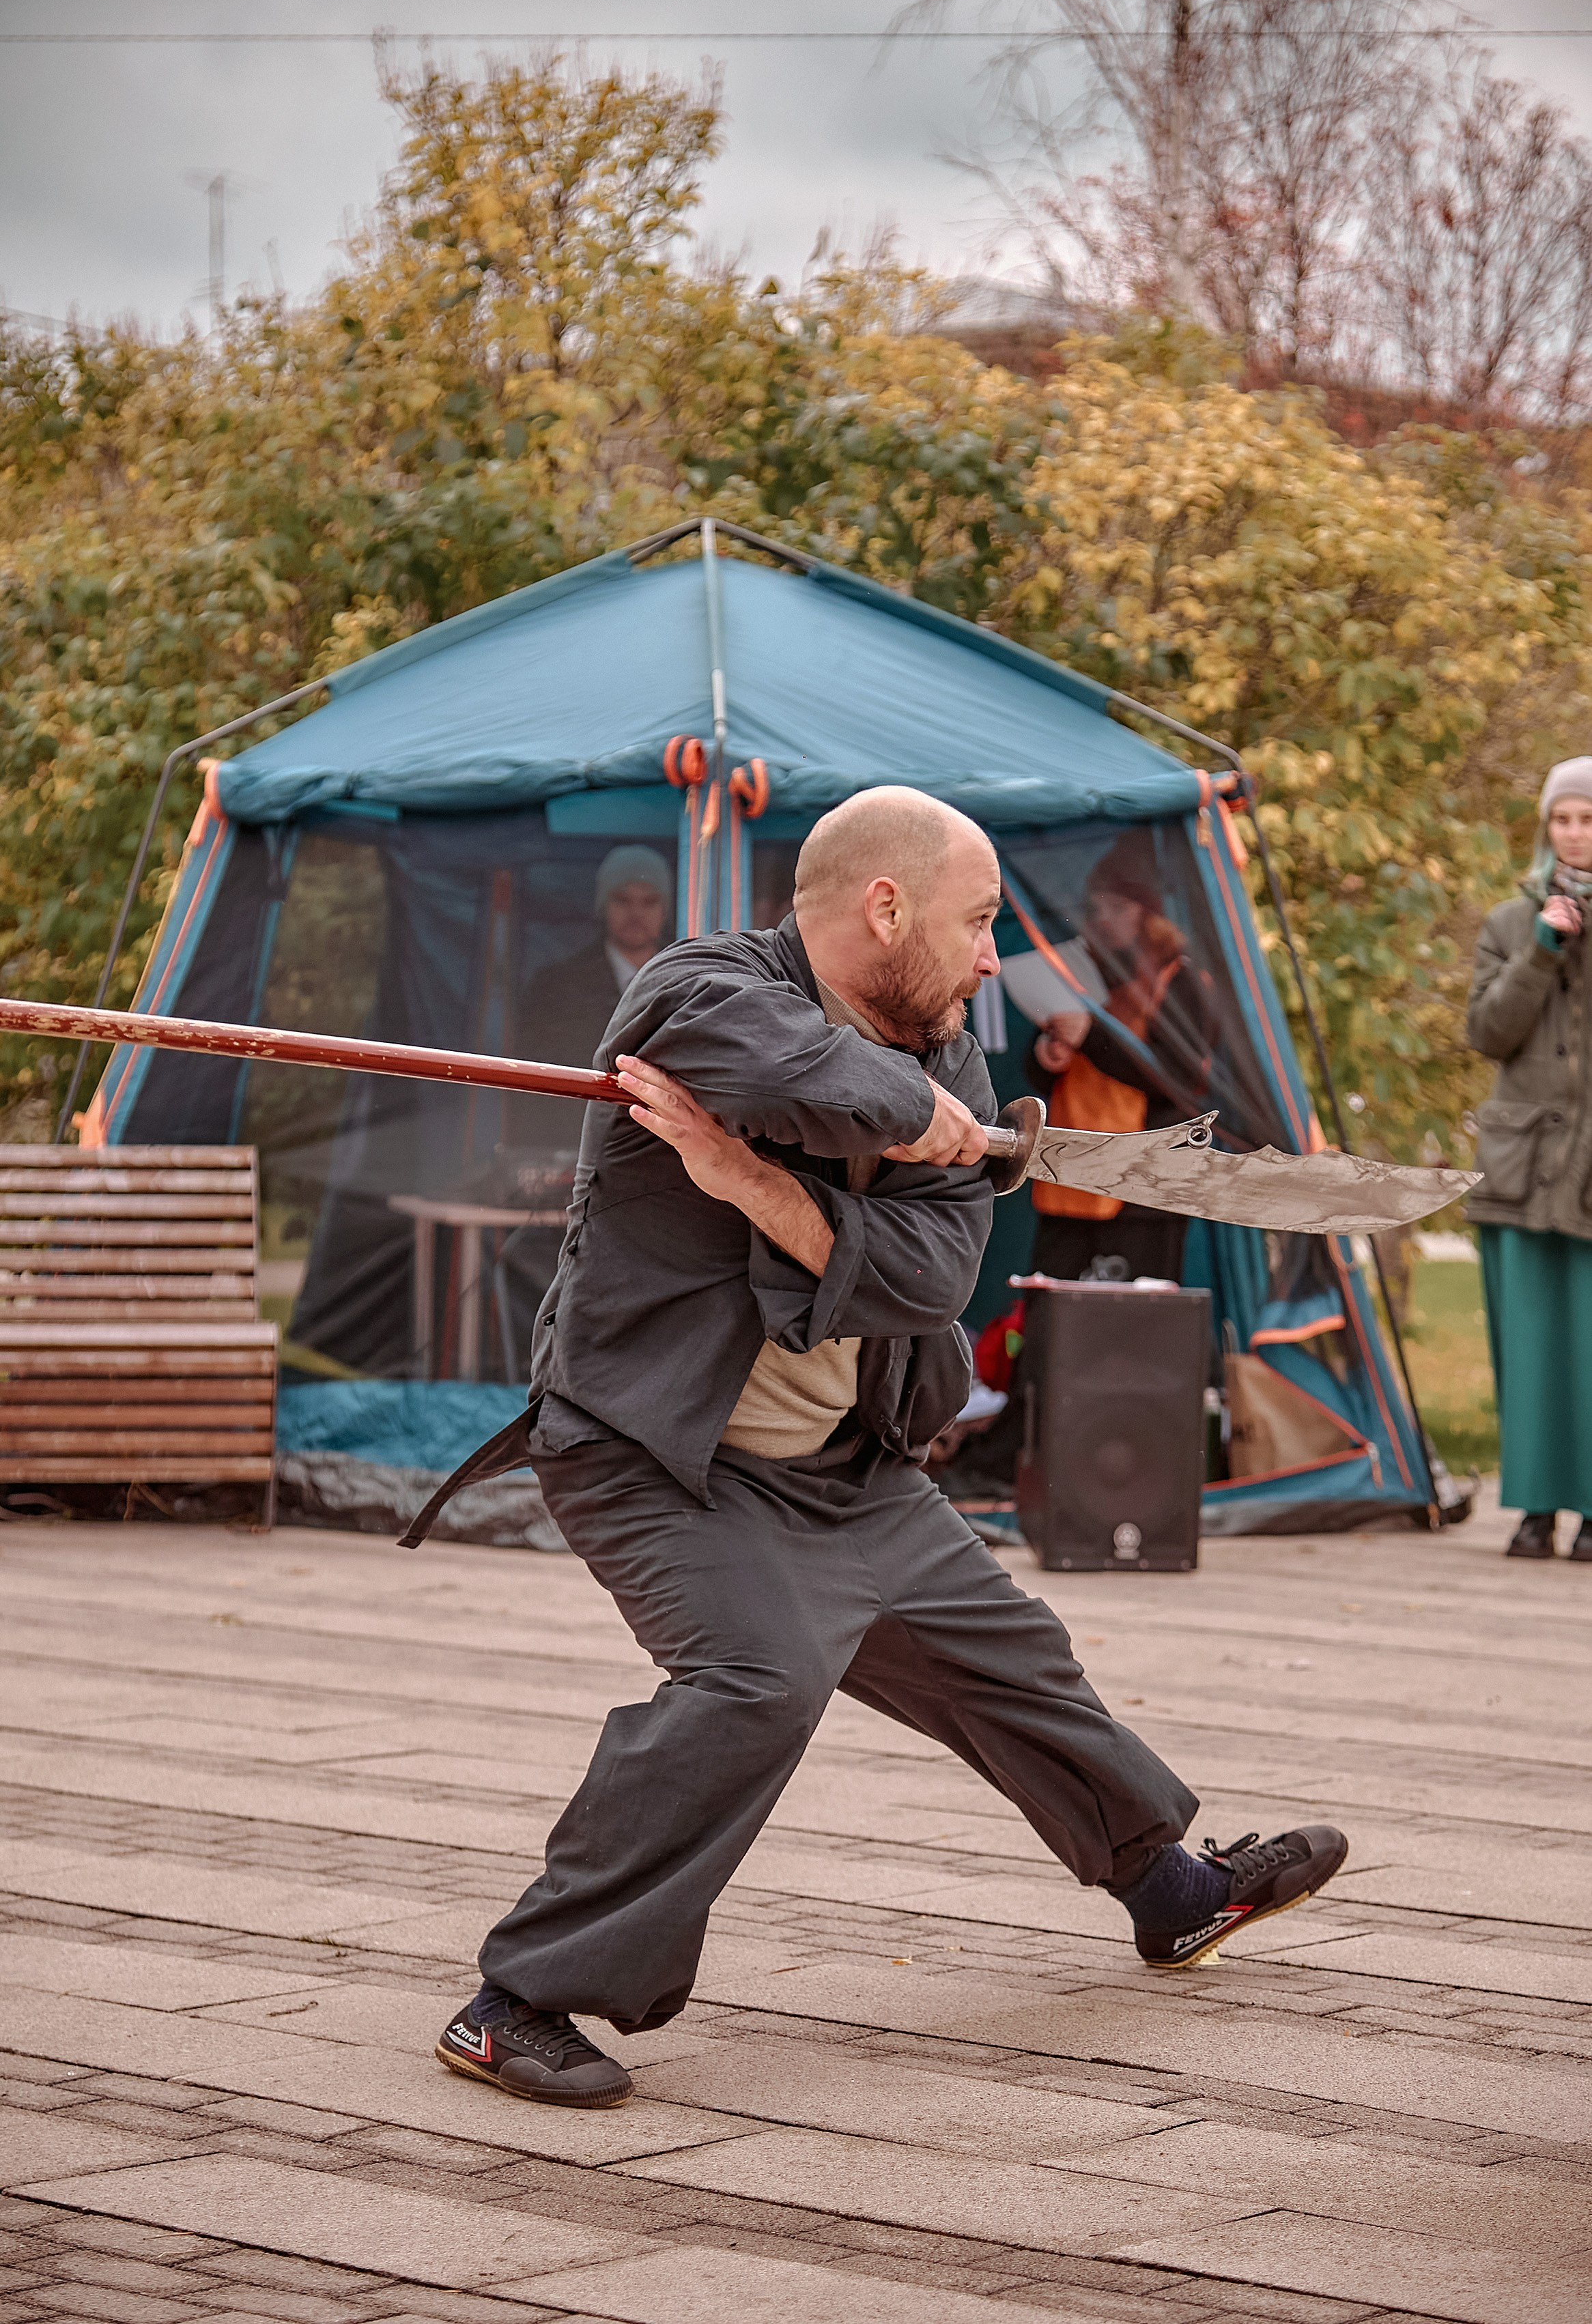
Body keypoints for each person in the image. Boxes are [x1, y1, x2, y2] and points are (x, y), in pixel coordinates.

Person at [429, 788, 1347, 2110]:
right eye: (977, 923)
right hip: (656, 1454)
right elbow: (780, 1071)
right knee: (756, 1675)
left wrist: (751, 1185)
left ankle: (1170, 1891)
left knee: (1012, 1655)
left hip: (845, 1467)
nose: (991, 959)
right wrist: (910, 1121)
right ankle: (512, 1999)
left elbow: (926, 1277)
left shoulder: (958, 1060)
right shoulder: (697, 990)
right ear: (883, 906)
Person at [1468, 757, 1592, 1561]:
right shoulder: (1510, 922)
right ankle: (1535, 1510)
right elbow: (1487, 1034)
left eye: (1587, 819)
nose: (1574, 834)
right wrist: (1543, 948)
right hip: (1520, 1165)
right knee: (1534, 1343)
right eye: (1562, 819)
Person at [1025, 836, 1215, 1286]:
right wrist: (1045, 1055)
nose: (1104, 919)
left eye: (1119, 907)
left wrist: (1089, 1036)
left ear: (1151, 915)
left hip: (1140, 1193)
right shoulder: (1084, 971)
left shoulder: (1182, 980)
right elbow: (1045, 1074)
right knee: (1056, 1323)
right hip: (1068, 1177)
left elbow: (1178, 1080)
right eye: (1097, 907)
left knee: (1128, 1332)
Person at [523, 844, 672, 1068]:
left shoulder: (685, 983)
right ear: (603, 906)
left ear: (665, 910)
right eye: (622, 900)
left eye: (649, 901)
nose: (636, 913)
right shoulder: (555, 986)